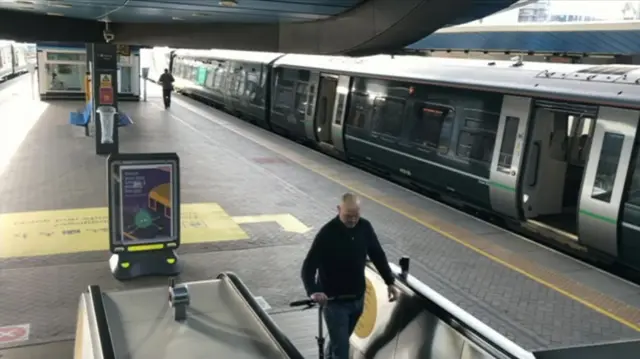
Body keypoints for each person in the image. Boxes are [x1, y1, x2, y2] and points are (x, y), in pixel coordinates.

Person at [301, 192, 398, 359]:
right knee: (342, 351)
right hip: (334, 303)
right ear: (339, 209)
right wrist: (314, 290)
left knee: (340, 341)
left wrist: (389, 281)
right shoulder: (327, 233)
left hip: (357, 300)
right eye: (348, 215)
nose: (353, 220)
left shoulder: (365, 227)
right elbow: (308, 267)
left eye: (356, 215)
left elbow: (377, 255)